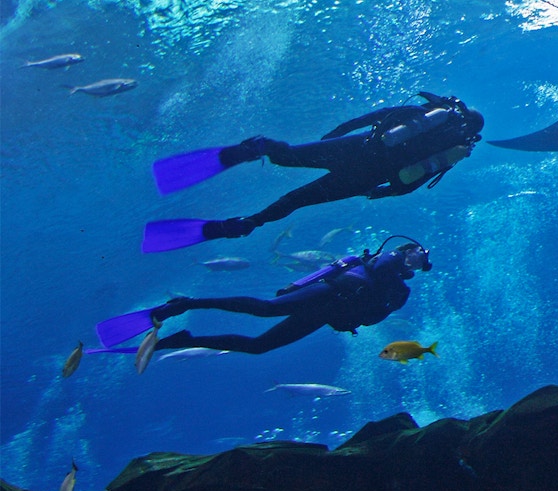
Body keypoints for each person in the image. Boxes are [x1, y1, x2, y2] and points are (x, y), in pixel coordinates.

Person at [143, 93, 483, 252]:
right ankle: (248, 223)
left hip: (359, 147)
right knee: (296, 199)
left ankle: (257, 147)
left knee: (287, 156)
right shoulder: (452, 152)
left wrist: (341, 129)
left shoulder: (432, 113)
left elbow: (380, 114)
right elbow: (413, 182)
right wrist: (378, 191)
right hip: (366, 178)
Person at [93, 237, 430, 355]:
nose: (418, 261)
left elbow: (375, 318)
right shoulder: (385, 260)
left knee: (259, 347)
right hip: (323, 294)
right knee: (266, 309)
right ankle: (185, 303)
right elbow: (331, 272)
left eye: (420, 260)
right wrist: (297, 287)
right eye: (417, 254)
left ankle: (184, 340)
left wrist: (352, 320)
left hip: (324, 314)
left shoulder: (401, 289)